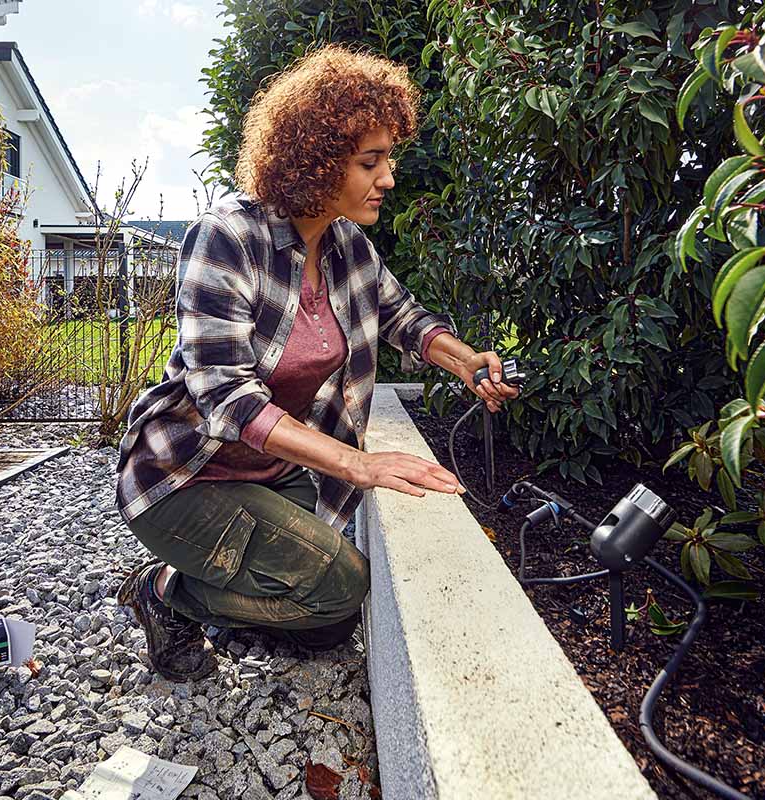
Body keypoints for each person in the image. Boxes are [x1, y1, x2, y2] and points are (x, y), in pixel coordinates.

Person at [115, 44, 519, 681]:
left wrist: (467, 363)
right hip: (187, 476)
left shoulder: (347, 246)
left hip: (277, 470)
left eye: (387, 159)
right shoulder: (227, 238)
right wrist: (361, 464)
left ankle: (206, 587)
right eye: (370, 162)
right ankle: (167, 592)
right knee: (340, 585)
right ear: (317, 160)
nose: (387, 178)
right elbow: (226, 397)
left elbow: (403, 319)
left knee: (329, 623)